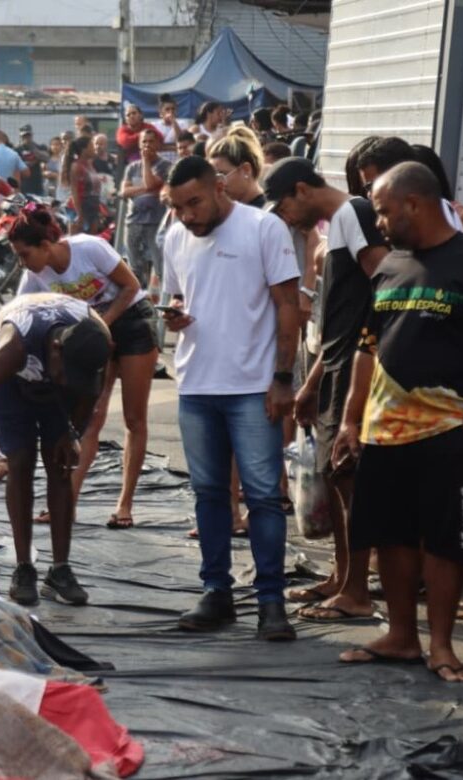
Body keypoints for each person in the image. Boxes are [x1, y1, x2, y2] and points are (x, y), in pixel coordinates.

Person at [332, 162, 463, 683]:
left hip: (449, 429)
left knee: (444, 542)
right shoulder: (388, 267)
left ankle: (441, 646)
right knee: (390, 535)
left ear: (414, 203)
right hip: (384, 430)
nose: (380, 222)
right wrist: (351, 419)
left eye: (385, 211)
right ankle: (401, 637)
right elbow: (367, 350)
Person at [159, 155, 301, 641]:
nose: (186, 215)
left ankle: (271, 602)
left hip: (252, 387)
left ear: (219, 187)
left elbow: (289, 306)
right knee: (209, 494)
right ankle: (216, 592)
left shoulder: (264, 229)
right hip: (196, 385)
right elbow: (177, 296)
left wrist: (283, 378)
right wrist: (174, 315)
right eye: (177, 206)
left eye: (194, 202)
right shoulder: (176, 236)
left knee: (263, 495)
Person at [264, 157, 389, 622]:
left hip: (356, 366)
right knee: (335, 476)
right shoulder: (338, 224)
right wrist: (314, 380)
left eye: (284, 206)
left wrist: (364, 359)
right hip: (335, 364)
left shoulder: (355, 212)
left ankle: (357, 590)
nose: (285, 217)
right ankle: (342, 576)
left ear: (302, 189)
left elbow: (384, 285)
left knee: (348, 475)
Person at [0, 292, 112, 605]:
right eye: (65, 372)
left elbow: (89, 394)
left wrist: (72, 435)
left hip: (57, 386)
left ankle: (60, 570)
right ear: (56, 348)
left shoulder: (95, 342)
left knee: (60, 466)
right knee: (20, 460)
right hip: (12, 384)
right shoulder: (14, 346)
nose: (67, 380)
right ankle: (24, 566)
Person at [13, 208, 157, 529]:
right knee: (91, 418)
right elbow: (15, 316)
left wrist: (102, 324)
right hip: (94, 336)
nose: (23, 263)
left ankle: (125, 504)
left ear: (45, 245)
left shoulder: (89, 248)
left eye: (25, 254)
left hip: (133, 322)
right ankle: (68, 502)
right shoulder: (34, 276)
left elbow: (131, 286)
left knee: (134, 417)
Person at [121, 128, 172, 286]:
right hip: (133, 221)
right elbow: (124, 192)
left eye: (151, 141)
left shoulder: (165, 166)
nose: (147, 145)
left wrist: (146, 163)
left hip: (154, 222)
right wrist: (146, 189)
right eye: (144, 141)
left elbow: (151, 183)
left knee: (159, 265)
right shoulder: (131, 167)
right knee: (134, 266)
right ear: (139, 144)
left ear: (157, 143)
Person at [207, 126, 267, 208]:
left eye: (222, 174)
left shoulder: (267, 214)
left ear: (246, 170)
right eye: (214, 177)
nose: (218, 183)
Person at [61, 137, 101, 235]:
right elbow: (74, 191)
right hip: (80, 207)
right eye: (91, 146)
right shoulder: (76, 166)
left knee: (91, 240)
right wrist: (79, 214)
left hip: (92, 207)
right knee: (76, 240)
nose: (94, 148)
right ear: (84, 149)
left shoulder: (89, 164)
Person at [16, 125, 49, 196]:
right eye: (24, 136)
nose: (27, 138)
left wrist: (33, 148)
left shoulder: (40, 147)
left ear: (32, 135)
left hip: (37, 186)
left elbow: (46, 158)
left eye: (28, 135)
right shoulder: (17, 150)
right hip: (23, 187)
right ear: (21, 137)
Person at [157, 94, 183, 161]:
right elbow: (156, 146)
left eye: (173, 109)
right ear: (161, 112)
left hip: (177, 160)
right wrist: (174, 147)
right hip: (160, 161)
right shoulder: (155, 126)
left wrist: (174, 122)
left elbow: (181, 141)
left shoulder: (182, 124)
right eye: (167, 109)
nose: (170, 111)